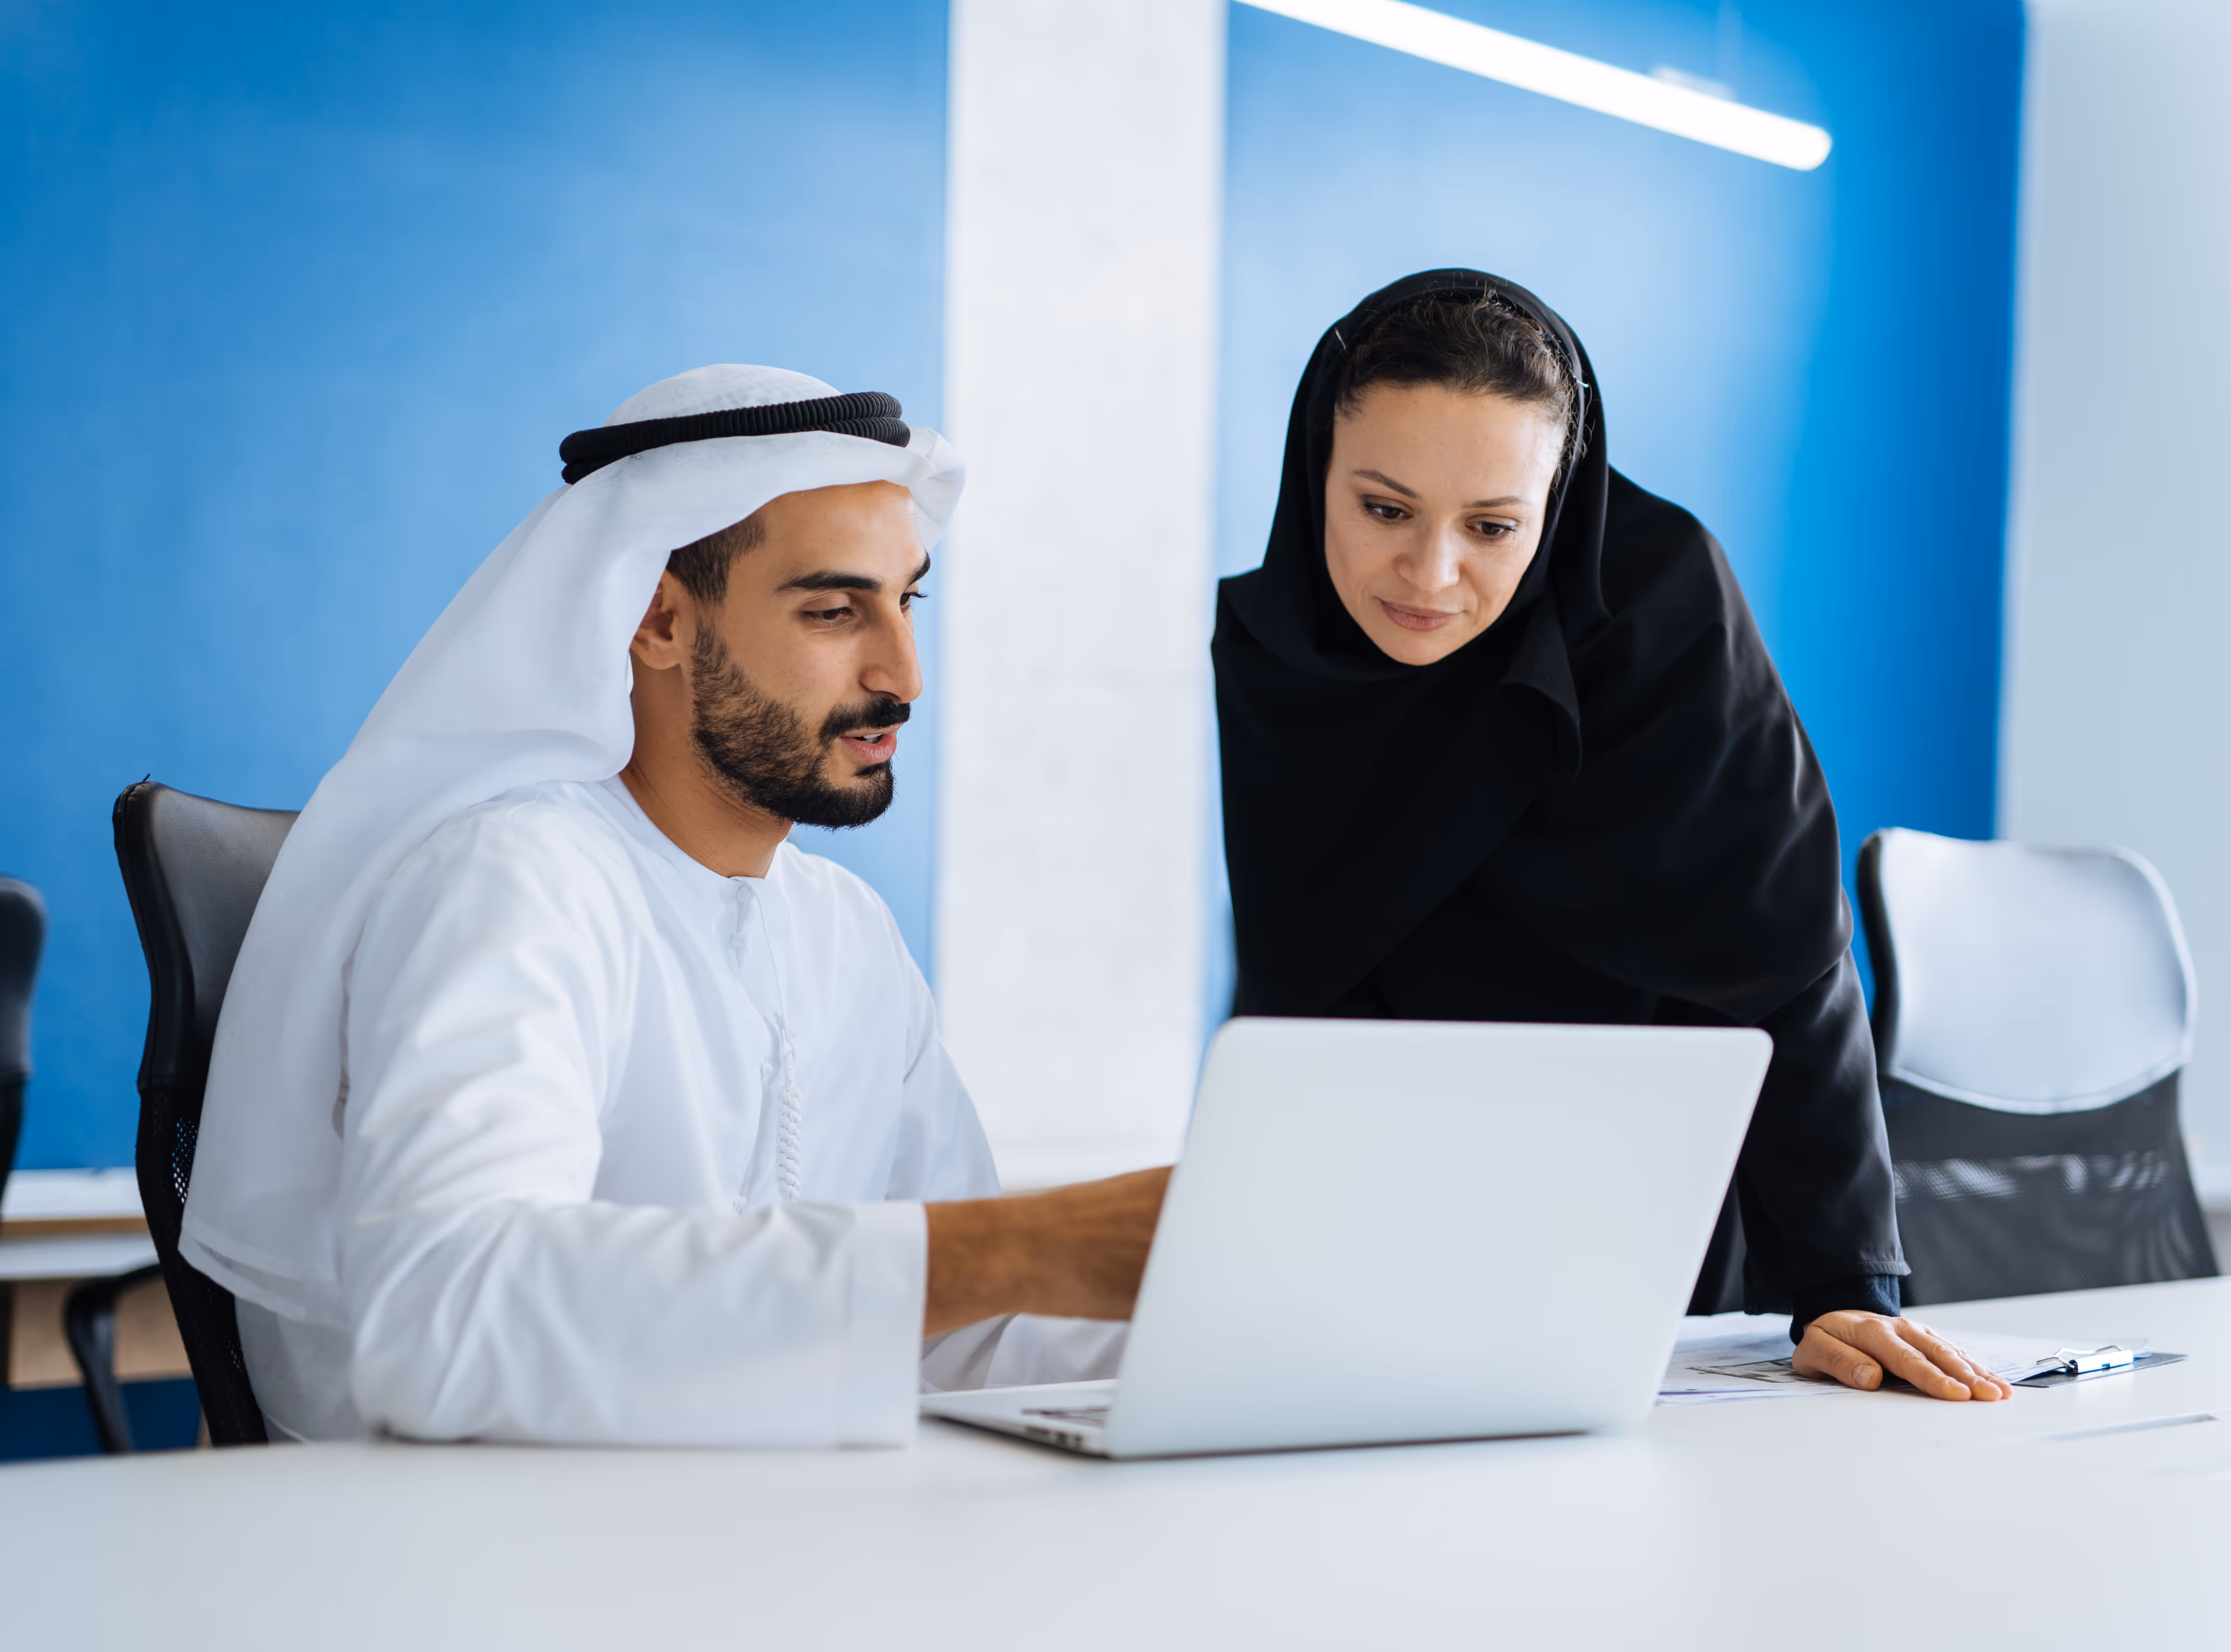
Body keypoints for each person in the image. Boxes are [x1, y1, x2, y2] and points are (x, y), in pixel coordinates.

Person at [183, 365, 1167, 1445]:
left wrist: (1216, 1298)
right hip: (486, 1541)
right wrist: (1024, 1245)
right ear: (657, 621)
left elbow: (960, 1339)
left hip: (752, 1523)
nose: (903, 676)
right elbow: (448, 1317)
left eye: (907, 602)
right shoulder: (513, 879)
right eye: (834, 610)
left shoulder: (846, 930)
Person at [1213, 270, 2009, 1403]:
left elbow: (1785, 956)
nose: (1430, 574)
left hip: (1653, 1246)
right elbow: (1296, 991)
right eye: (1384, 509)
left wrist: (1841, 1284)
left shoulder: (1660, 610)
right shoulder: (1275, 652)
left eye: (1493, 527)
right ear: (1316, 474)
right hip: (1378, 1241)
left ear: (1558, 502)